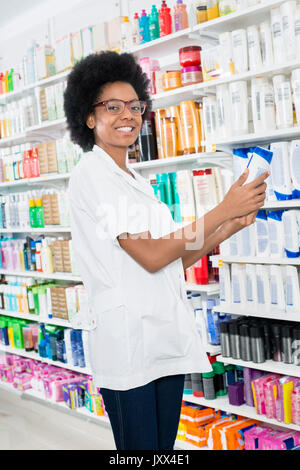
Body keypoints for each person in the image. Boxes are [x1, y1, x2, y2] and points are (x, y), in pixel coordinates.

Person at [64, 51, 268, 451]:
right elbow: (151, 255)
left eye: (135, 106)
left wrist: (229, 224)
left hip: (163, 338)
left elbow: (176, 256)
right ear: (89, 117)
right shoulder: (91, 173)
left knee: (162, 452)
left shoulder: (135, 180)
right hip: (127, 342)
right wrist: (221, 209)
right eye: (112, 106)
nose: (128, 115)